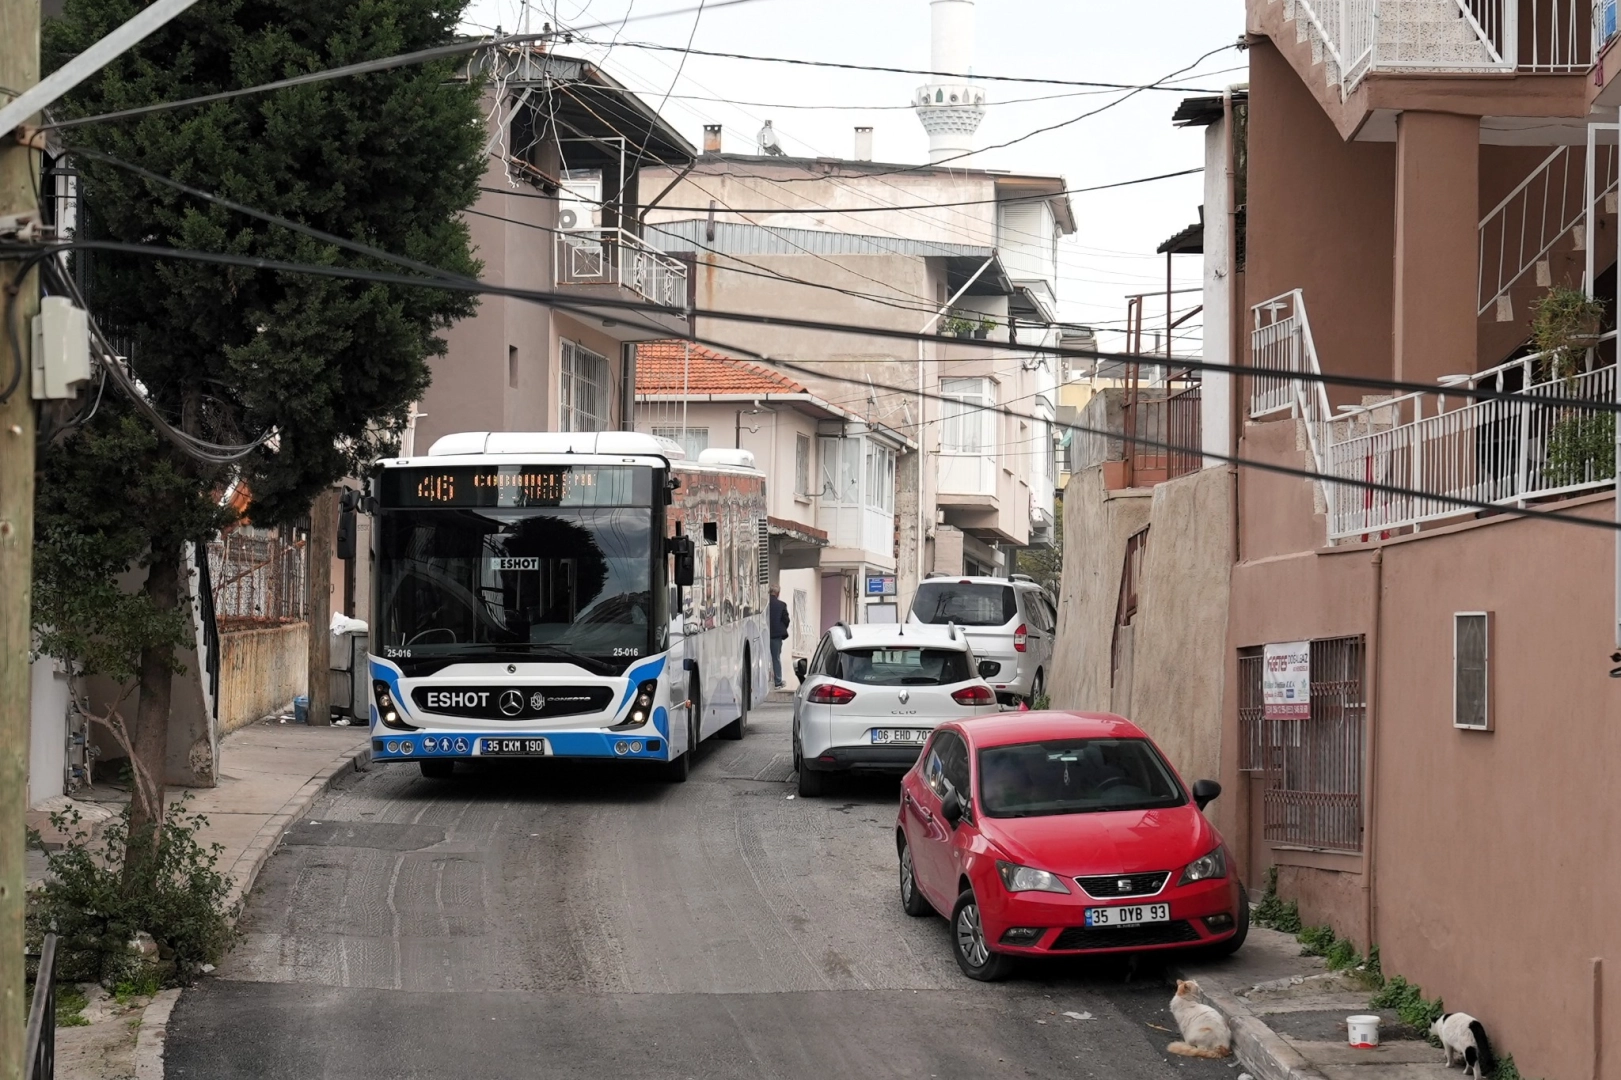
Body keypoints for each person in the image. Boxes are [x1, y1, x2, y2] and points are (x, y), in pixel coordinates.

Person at [767, 586, 791, 688]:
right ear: (777, 593)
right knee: (776, 658)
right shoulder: (781, 605)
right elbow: (786, 620)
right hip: (776, 636)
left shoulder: (765, 604)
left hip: (764, 634)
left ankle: (763, 681)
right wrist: (781, 628)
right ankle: (778, 682)